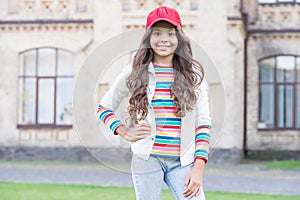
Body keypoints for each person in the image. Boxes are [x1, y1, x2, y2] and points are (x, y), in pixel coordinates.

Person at [97, 6, 212, 200]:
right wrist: (124, 131)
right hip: (147, 159)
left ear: (179, 38)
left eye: (170, 33)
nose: (164, 39)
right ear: (148, 38)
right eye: (157, 33)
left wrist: (198, 168)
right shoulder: (133, 72)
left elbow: (203, 124)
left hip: (183, 161)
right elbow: (103, 107)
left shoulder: (194, 76)